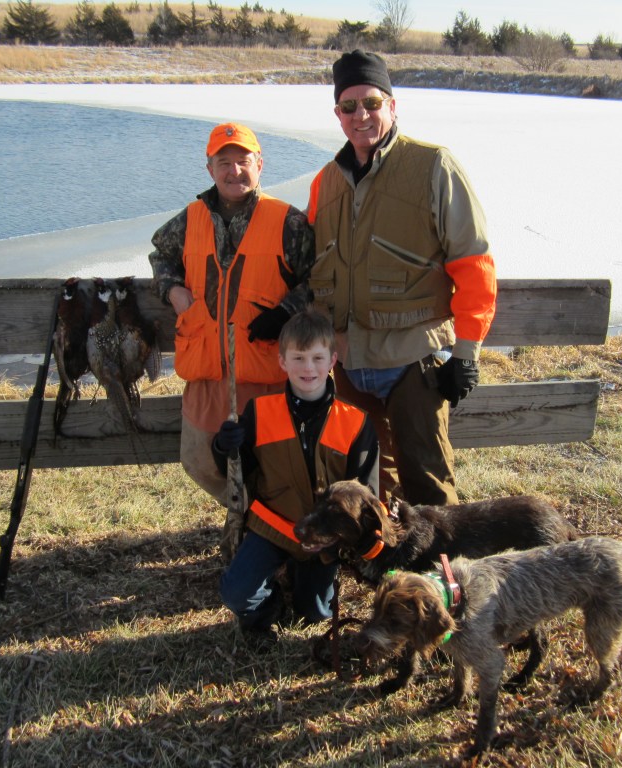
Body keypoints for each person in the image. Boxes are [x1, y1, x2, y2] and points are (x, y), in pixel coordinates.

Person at [306, 49, 498, 506]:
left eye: (372, 103)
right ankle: (385, 554)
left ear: (392, 106)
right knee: (364, 490)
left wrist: (466, 352)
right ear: (338, 114)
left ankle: (443, 557)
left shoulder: (434, 166)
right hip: (348, 364)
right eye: (349, 106)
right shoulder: (324, 182)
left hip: (414, 361)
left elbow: (473, 261)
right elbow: (309, 268)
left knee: (428, 488)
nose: (361, 115)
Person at [149, 122, 314, 504]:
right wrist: (173, 290)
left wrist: (286, 311)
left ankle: (261, 526)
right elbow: (161, 255)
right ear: (210, 169)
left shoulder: (288, 221)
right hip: (206, 371)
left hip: (267, 373)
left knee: (272, 469)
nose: (234, 171)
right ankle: (241, 517)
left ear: (260, 164)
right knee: (201, 461)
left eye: (243, 161)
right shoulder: (190, 218)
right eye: (224, 162)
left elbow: (320, 278)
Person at [212, 308, 379, 640]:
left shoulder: (356, 422)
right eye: (298, 358)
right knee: (236, 595)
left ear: (332, 360)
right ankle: (269, 604)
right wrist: (223, 446)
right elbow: (237, 473)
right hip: (272, 526)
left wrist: (337, 540)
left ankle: (303, 577)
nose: (308, 368)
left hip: (324, 536)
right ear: (282, 362)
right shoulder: (259, 411)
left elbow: (365, 494)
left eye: (317, 358)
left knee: (314, 614)